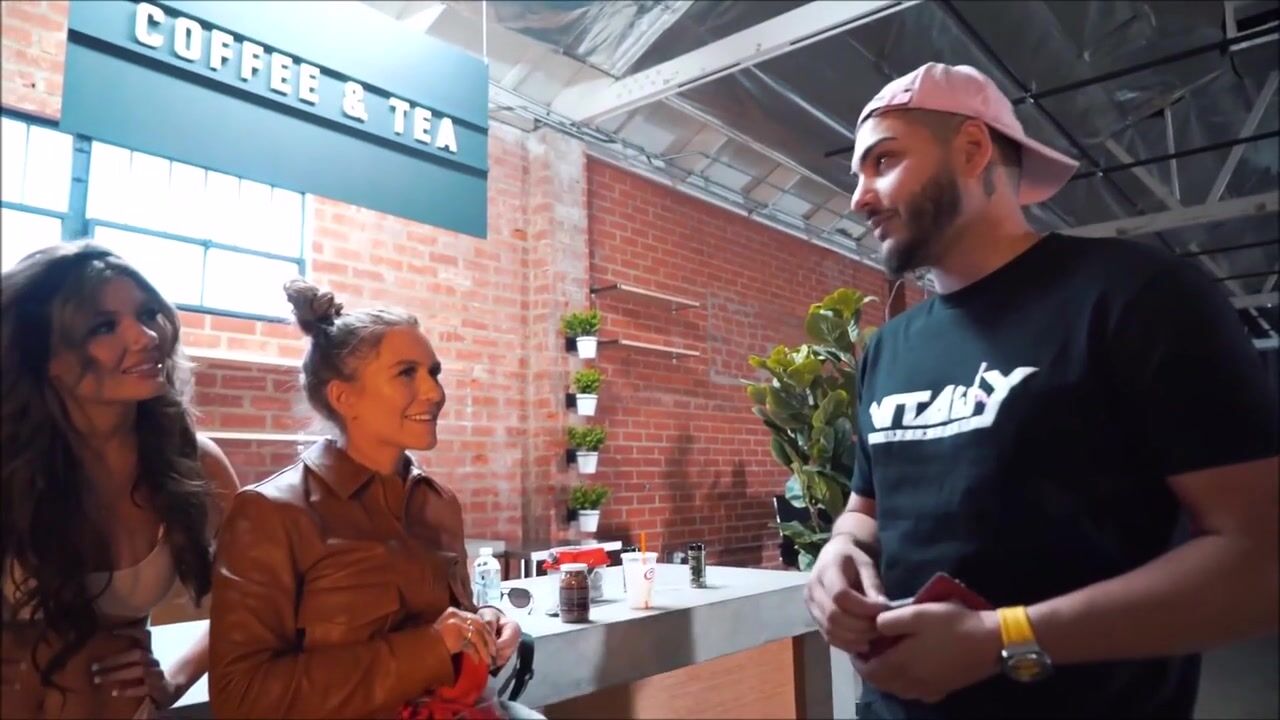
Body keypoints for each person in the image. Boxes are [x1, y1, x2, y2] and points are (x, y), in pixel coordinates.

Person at [805, 62, 1279, 718]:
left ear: (973, 149)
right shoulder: (889, 348)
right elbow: (867, 511)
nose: (859, 198)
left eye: (883, 161)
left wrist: (1005, 638)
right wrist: (840, 550)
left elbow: (1259, 561)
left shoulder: (1137, 298)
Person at [209, 279, 542, 719]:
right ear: (343, 396)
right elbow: (241, 697)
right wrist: (430, 646)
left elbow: (450, 621)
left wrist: (486, 622)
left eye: (434, 373)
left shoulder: (439, 503)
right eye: (406, 373)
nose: (435, 393)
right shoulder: (270, 513)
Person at [1, 241, 240, 718]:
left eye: (148, 314)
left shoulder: (196, 464)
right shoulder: (10, 462)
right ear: (44, 355)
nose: (146, 336)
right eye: (104, 326)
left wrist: (178, 677)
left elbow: (260, 603)